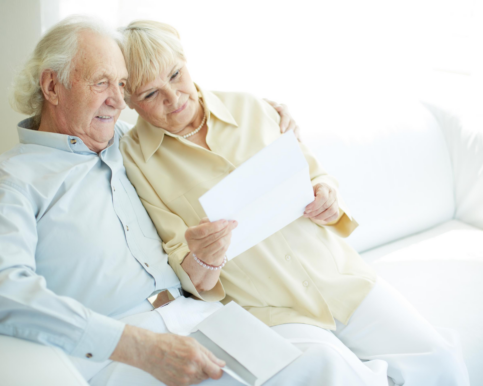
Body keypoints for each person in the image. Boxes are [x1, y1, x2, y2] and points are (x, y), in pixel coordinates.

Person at [0, 16, 348, 386]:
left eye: (122, 85)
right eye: (101, 83)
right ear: (52, 86)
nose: (117, 100)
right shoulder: (10, 181)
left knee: (325, 366)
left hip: (197, 316)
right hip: (120, 351)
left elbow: (196, 123)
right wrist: (139, 347)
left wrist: (266, 115)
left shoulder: (130, 144)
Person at [119, 20, 470, 386]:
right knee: (345, 379)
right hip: (268, 311)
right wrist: (205, 255)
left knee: (441, 360)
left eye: (176, 75)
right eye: (150, 94)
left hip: (334, 275)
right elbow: (190, 274)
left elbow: (316, 176)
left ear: (185, 61)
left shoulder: (252, 107)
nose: (173, 98)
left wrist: (327, 197)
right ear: (129, 101)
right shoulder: (136, 162)